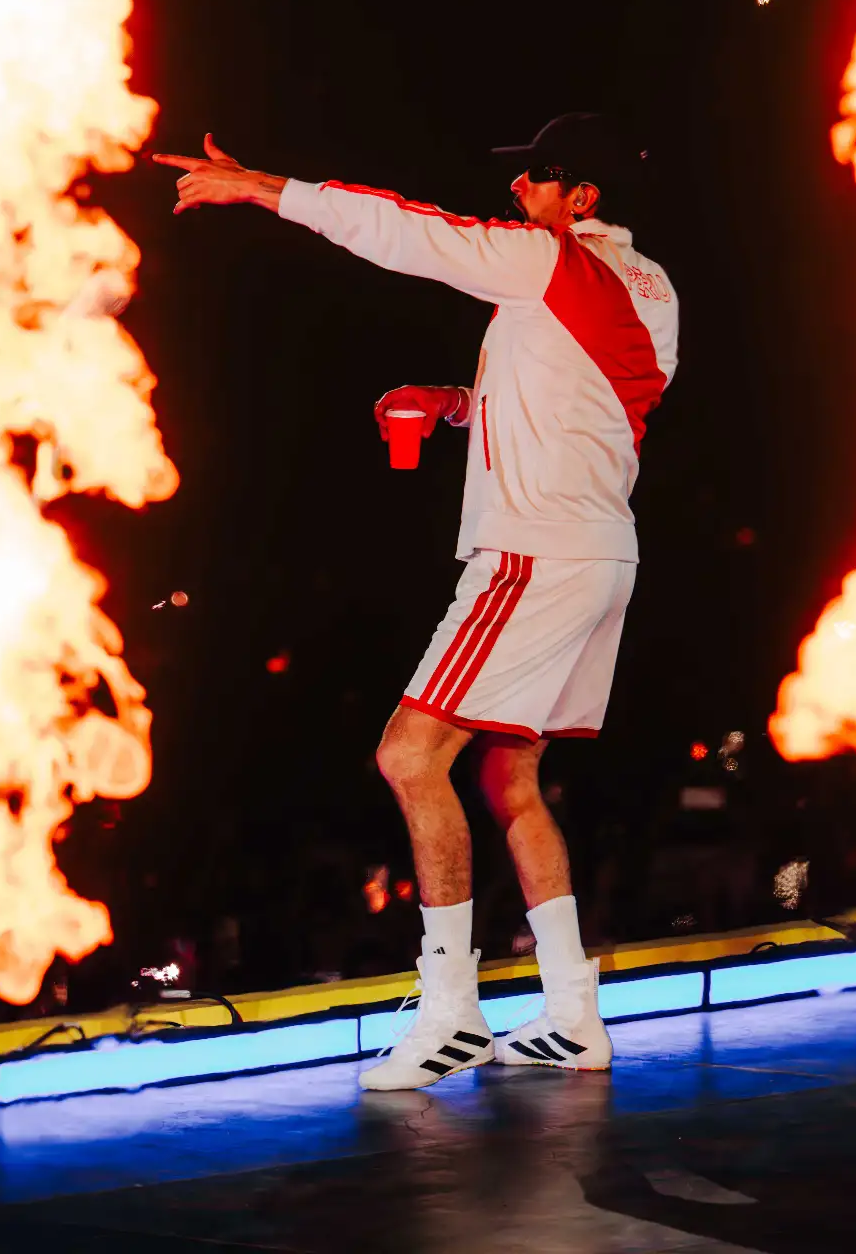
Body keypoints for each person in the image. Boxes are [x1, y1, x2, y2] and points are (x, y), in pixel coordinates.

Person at [156, 113, 679, 1090]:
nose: (515, 194)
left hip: (533, 551)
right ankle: (573, 1013)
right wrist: (450, 403)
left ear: (582, 197)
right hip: (604, 550)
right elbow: (576, 400)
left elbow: (408, 231)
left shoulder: (548, 260)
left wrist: (262, 186)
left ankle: (449, 1011)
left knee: (409, 753)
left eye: (535, 181)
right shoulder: (648, 291)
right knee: (506, 782)